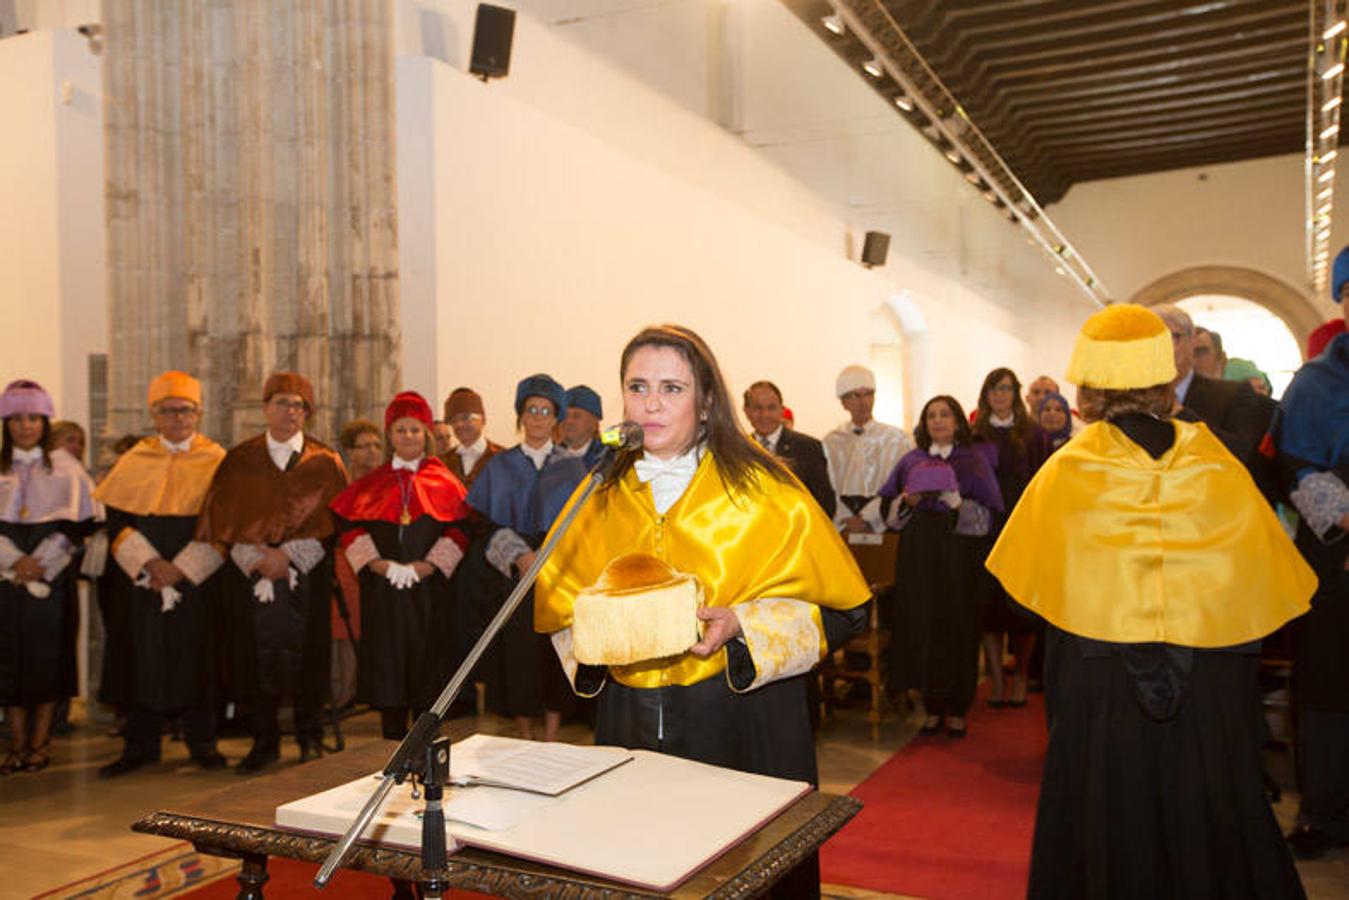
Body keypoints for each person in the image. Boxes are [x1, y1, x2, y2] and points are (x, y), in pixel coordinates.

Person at [986, 303, 1314, 899]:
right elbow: (1257, 589)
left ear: (1090, 388)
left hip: (1101, 685)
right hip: (1208, 687)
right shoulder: (1217, 462)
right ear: (1164, 379)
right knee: (1211, 824)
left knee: (1106, 826)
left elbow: (1024, 599)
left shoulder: (1070, 468)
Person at [536, 325, 871, 898]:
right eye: (638, 387)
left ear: (707, 399)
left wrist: (744, 624)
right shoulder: (599, 494)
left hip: (741, 727)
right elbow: (559, 613)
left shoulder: (767, 492)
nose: (652, 403)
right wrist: (602, 636)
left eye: (672, 388)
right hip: (631, 724)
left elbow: (845, 612)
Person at [195, 372, 348, 773]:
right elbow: (222, 520)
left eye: (298, 405)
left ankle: (308, 734)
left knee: (309, 656)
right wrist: (258, 558)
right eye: (282, 402)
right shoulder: (240, 460)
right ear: (265, 408)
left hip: (308, 576)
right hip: (250, 575)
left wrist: (291, 556)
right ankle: (263, 740)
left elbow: (336, 524)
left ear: (307, 412)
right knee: (251, 656)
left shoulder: (325, 461)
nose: (290, 411)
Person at [93, 371, 228, 776]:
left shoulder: (217, 460)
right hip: (143, 578)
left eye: (185, 410)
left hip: (197, 577)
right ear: (154, 414)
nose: (177, 418)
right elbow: (117, 521)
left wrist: (182, 568)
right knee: (140, 656)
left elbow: (224, 522)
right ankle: (140, 746)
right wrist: (152, 565)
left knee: (198, 654)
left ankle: (203, 743)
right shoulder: (134, 460)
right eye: (168, 411)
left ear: (198, 413)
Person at [330, 392, 470, 739]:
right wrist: (378, 565)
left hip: (429, 593)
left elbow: (462, 529)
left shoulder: (444, 480)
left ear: (426, 435)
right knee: (388, 671)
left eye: (415, 430)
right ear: (390, 436)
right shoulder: (370, 483)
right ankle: (389, 753)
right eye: (401, 430)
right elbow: (349, 527)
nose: (408, 437)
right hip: (384, 592)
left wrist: (427, 566)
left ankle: (427, 750)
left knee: (429, 669)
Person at [462, 375, 587, 741]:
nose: (537, 417)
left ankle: (550, 734)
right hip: (513, 574)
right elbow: (481, 520)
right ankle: (526, 734)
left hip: (556, 573)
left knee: (553, 653)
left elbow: (581, 522)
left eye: (545, 411)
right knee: (518, 656)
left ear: (555, 419)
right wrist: (518, 555)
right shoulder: (500, 465)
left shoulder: (571, 466)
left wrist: (548, 556)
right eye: (531, 410)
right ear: (521, 416)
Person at [1276, 252, 1349, 859]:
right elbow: (1296, 464)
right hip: (1337, 554)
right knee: (1328, 684)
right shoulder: (1316, 382)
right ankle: (1323, 812)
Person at [878, 395, 1002, 738]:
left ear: (958, 421)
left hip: (958, 555)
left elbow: (988, 519)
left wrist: (957, 504)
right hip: (919, 556)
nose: (938, 421)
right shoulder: (911, 460)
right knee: (923, 624)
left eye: (945, 414)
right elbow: (891, 518)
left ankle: (958, 707)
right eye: (931, 415)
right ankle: (931, 708)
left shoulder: (973, 461)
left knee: (958, 626)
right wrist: (906, 503)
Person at [0, 381, 99, 775]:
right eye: (18, 419)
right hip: (5, 579)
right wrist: (11, 561)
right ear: (6, 424)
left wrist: (41, 563)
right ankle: (16, 743)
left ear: (44, 422)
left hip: (51, 577)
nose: (26, 427)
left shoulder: (66, 468)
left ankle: (41, 743)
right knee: (7, 658)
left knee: (47, 658)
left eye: (34, 419)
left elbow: (80, 526)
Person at [972, 367, 1050, 708]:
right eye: (994, 389)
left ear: (1015, 393)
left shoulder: (1033, 434)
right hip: (986, 529)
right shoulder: (976, 434)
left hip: (1022, 528)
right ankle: (997, 679)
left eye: (1006, 388)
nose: (1000, 395)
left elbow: (1043, 481)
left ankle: (1019, 675)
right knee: (988, 610)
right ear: (986, 395)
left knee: (1020, 610)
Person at [1153, 304, 1267, 466]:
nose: (1161, 348)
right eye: (1152, 340)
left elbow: (1243, 454)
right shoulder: (1131, 400)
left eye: (1171, 338)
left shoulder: (1232, 394)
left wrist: (1180, 413)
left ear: (1191, 342)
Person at [330, 419, 383, 710]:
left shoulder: (386, 482)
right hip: (344, 561)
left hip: (380, 563)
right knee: (344, 628)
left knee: (374, 627)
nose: (372, 452)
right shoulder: (340, 482)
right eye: (364, 447)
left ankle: (368, 688)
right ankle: (346, 690)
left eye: (376, 445)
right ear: (349, 451)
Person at [823, 364, 913, 533]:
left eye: (869, 394)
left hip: (884, 523)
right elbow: (827, 486)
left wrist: (869, 518)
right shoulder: (831, 441)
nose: (864, 402)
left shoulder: (896, 439)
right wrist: (846, 518)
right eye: (856, 396)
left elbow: (901, 484)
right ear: (843, 402)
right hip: (844, 526)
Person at [743, 380, 835, 518]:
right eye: (758, 408)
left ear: (782, 410)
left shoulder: (808, 447)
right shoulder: (739, 451)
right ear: (747, 411)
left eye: (771, 408)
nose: (765, 415)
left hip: (797, 533)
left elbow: (825, 503)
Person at [440, 387, 503, 489]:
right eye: (454, 420)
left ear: (483, 420)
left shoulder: (504, 459)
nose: (459, 425)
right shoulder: (443, 463)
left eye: (466, 418)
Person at [559, 385, 606, 469]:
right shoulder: (549, 459)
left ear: (595, 424)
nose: (569, 421)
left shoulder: (609, 458)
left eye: (576, 416)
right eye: (565, 415)